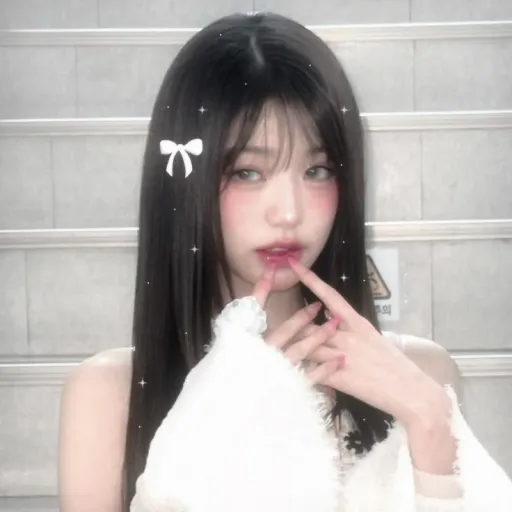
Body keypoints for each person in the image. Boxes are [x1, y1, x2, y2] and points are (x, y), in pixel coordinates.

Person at [57, 11, 512, 512]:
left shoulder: (422, 373)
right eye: (247, 172)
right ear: (184, 183)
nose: (289, 212)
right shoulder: (108, 395)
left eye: (318, 170)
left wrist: (432, 426)